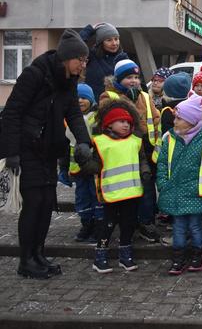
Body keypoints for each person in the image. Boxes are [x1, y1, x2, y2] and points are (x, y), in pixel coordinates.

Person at [0, 29, 92, 279]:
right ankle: (26, 260)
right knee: (33, 204)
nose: (83, 65)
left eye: (86, 61)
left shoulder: (69, 82)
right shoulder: (35, 74)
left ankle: (38, 254)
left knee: (45, 205)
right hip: (27, 149)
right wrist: (12, 153)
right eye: (80, 60)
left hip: (49, 150)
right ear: (66, 57)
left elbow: (73, 113)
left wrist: (84, 141)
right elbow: (12, 113)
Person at [156, 95, 202, 275]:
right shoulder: (170, 138)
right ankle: (178, 257)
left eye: (179, 118)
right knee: (179, 227)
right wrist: (163, 183)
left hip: (197, 192)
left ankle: (197, 255)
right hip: (176, 192)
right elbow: (163, 162)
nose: (175, 121)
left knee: (195, 226)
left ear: (191, 121)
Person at [80, 98, 151, 274]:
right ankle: (100, 255)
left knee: (129, 223)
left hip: (132, 192)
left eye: (128, 122)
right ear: (109, 125)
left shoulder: (135, 140)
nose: (126, 125)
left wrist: (145, 171)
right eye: (121, 122)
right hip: (110, 193)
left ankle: (125, 253)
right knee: (107, 224)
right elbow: (96, 166)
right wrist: (83, 161)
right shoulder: (101, 142)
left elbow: (141, 159)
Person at [99, 59, 161, 244]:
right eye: (128, 77)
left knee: (147, 188)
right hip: (123, 152)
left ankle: (146, 222)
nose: (133, 81)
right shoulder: (109, 96)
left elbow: (155, 118)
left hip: (146, 150)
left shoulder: (144, 95)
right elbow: (104, 121)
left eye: (136, 77)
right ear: (118, 79)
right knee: (127, 190)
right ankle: (127, 223)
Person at [66, 84, 102, 243]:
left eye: (84, 98)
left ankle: (97, 226)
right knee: (82, 198)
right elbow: (67, 145)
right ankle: (86, 224)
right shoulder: (69, 118)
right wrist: (64, 167)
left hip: (94, 167)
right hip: (77, 169)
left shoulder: (97, 117)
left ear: (91, 99)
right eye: (77, 97)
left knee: (95, 196)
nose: (80, 101)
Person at [79, 22, 130, 100]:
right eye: (109, 40)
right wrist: (89, 30)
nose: (114, 43)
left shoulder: (123, 58)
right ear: (100, 42)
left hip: (117, 105)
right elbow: (76, 43)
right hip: (94, 105)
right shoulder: (92, 56)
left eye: (116, 39)